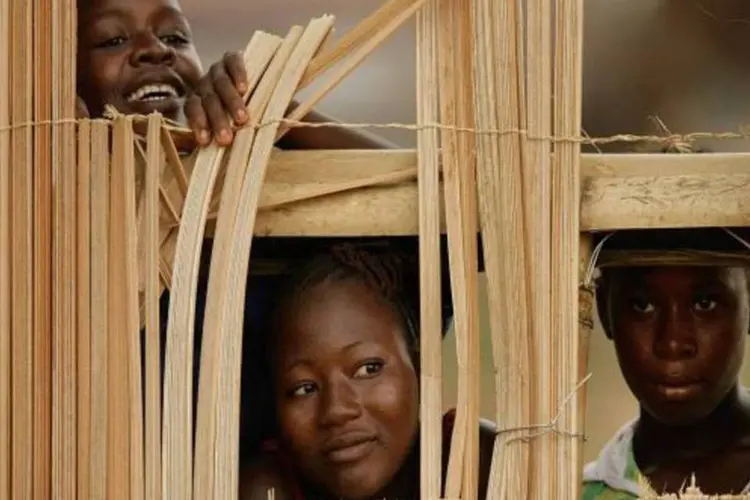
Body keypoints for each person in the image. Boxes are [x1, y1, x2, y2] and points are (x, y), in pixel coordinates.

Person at [239, 242, 495, 500]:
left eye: (368, 369)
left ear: (419, 364)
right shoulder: (266, 490)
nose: (337, 410)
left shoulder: (479, 465)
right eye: (305, 388)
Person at [76, 0, 395, 150]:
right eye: (112, 39)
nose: (157, 49)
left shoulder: (239, 175)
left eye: (175, 36)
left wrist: (275, 110)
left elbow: (435, 193)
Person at [581, 228, 750, 499]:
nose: (672, 343)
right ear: (603, 310)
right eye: (642, 305)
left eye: (704, 303)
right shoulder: (577, 491)